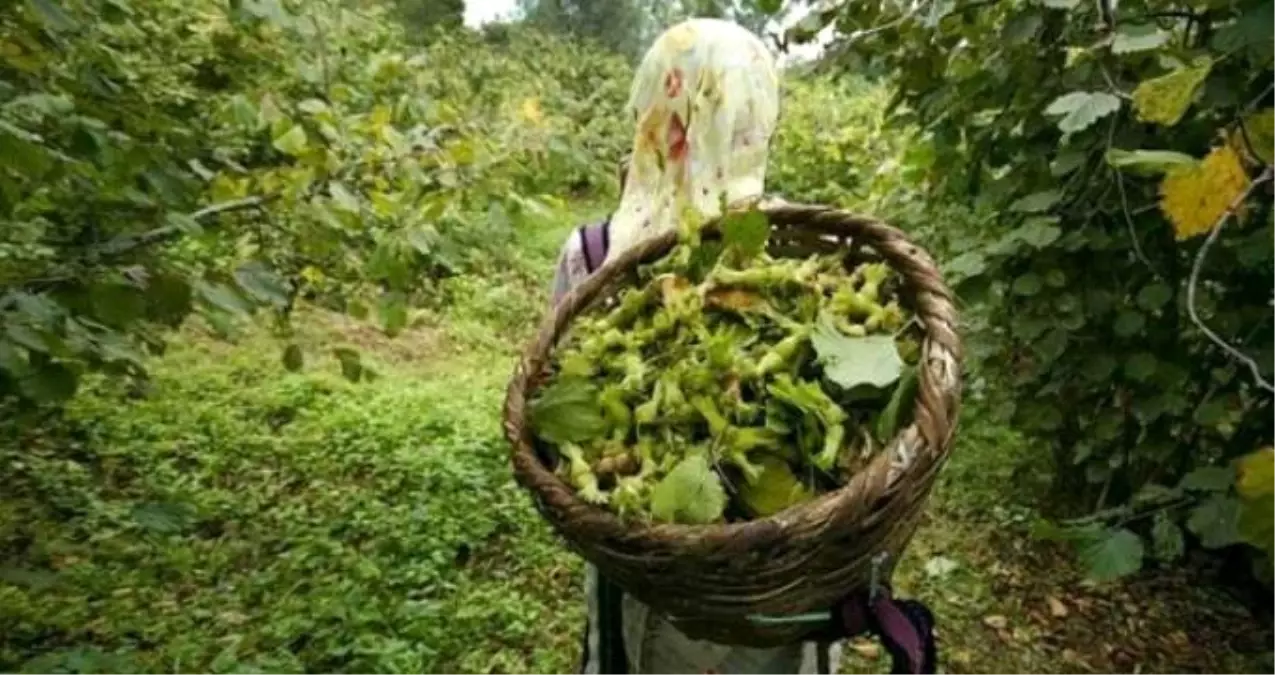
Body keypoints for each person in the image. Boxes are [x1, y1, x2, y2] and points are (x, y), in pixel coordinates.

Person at [549, 18, 937, 675]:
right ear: (756, 116)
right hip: (779, 569)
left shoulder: (591, 251)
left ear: (650, 109)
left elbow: (554, 395)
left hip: (647, 562)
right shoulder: (798, 245)